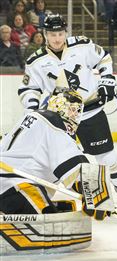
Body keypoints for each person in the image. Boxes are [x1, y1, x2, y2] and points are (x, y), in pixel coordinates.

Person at [17, 14, 117, 204]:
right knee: (57, 162)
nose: (57, 38)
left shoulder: (82, 45)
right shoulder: (36, 61)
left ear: (66, 32)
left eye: (60, 33)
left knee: (107, 156)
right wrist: (33, 108)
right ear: (44, 34)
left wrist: (107, 80)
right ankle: (47, 197)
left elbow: (104, 58)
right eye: (52, 34)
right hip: (60, 118)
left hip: (90, 110)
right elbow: (29, 89)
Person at [0, 87, 109, 220]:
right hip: (16, 187)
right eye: (73, 110)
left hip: (6, 185)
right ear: (60, 107)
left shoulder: (30, 119)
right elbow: (76, 165)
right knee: (55, 226)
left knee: (64, 208)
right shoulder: (54, 125)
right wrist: (96, 193)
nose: (75, 115)